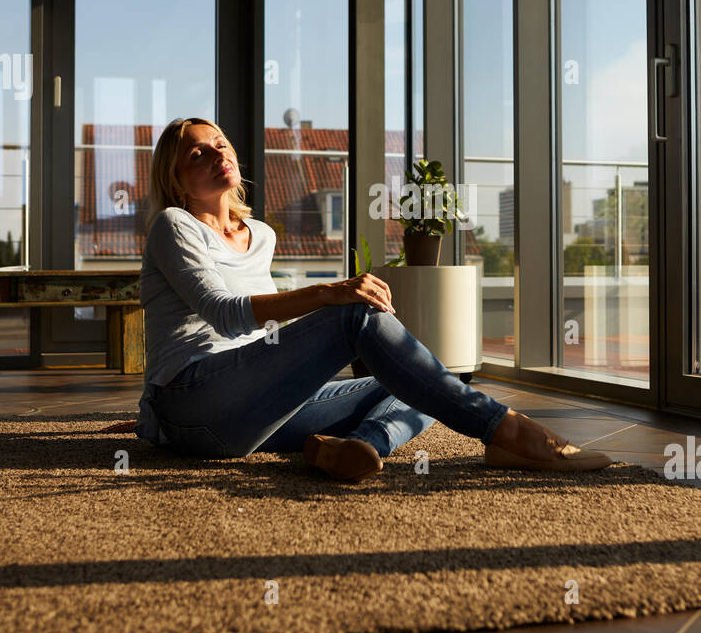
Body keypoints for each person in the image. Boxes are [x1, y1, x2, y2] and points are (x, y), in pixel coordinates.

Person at [116, 116, 612, 483]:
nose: (215, 153)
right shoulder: (172, 225)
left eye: (219, 143)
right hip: (195, 402)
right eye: (196, 153)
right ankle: (507, 431)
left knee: (421, 380)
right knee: (353, 314)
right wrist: (329, 295)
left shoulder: (260, 234)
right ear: (175, 178)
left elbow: (259, 335)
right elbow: (223, 316)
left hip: (248, 417)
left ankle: (356, 449)